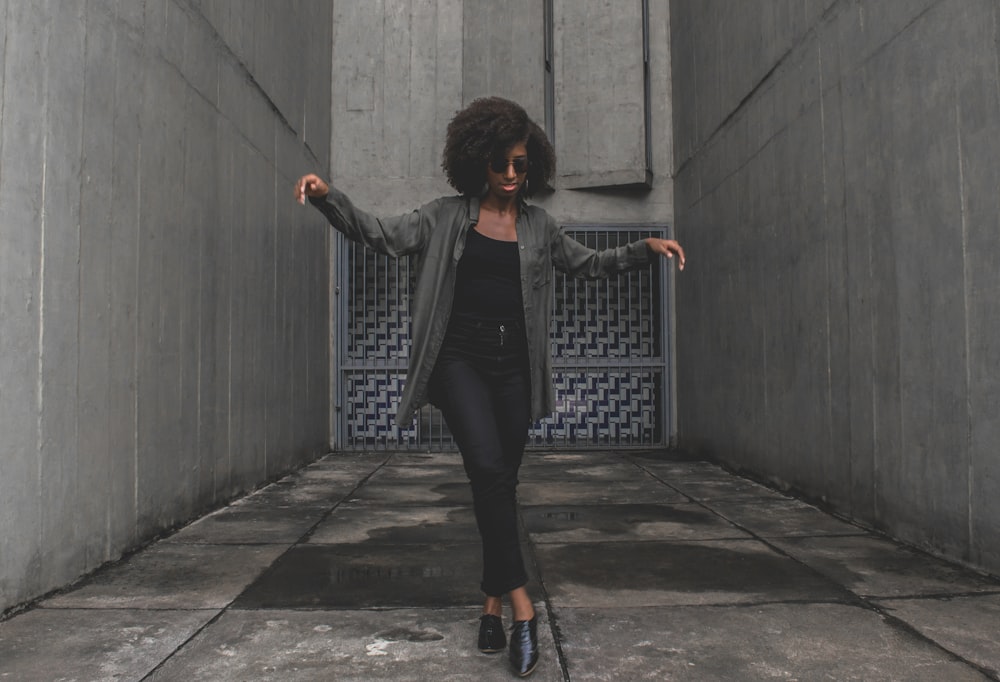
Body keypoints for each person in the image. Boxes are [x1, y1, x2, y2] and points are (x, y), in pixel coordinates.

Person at [295, 96, 684, 677]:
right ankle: (525, 611)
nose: (509, 175)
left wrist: (642, 248)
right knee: (486, 468)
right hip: (458, 362)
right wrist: (330, 201)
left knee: (500, 482)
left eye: (520, 165)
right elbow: (380, 235)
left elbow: (585, 265)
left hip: (514, 370)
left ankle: (490, 604)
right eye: (500, 163)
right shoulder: (444, 216)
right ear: (478, 160)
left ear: (533, 168)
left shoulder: (538, 226)